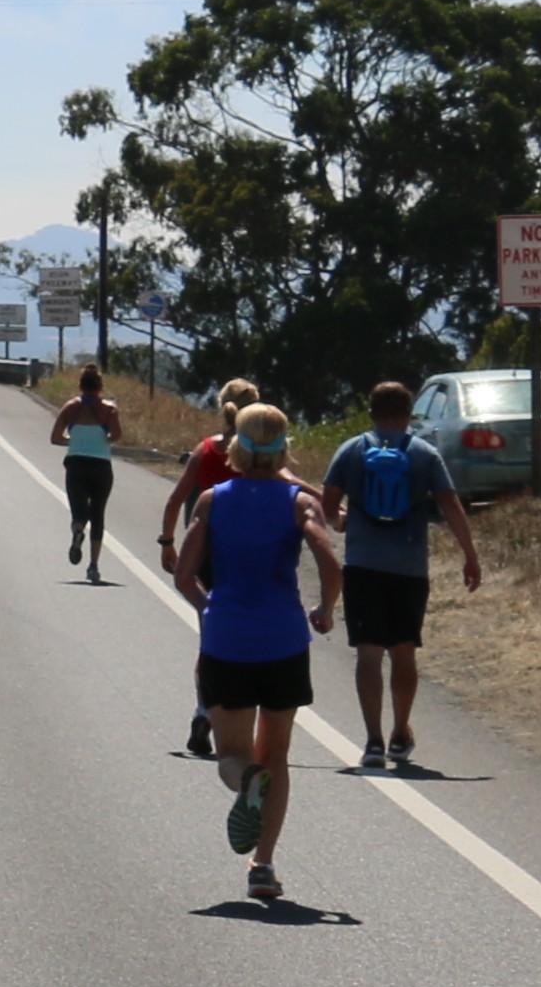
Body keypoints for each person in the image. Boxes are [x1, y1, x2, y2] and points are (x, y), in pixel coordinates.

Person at [166, 404, 337, 901]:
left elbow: (183, 574)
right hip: (284, 640)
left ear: (236, 446)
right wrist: (325, 607)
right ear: (283, 447)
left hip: (228, 641)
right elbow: (330, 559)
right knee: (277, 756)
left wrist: (210, 607)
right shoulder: (299, 501)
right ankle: (262, 864)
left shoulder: (213, 500)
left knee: (233, 757)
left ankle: (248, 781)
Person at [316, 377, 481, 772]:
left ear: (371, 412)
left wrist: (342, 524)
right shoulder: (424, 453)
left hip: (362, 565)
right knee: (403, 651)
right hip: (408, 567)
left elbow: (328, 503)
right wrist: (470, 554)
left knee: (369, 652)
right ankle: (399, 731)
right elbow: (450, 504)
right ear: (409, 414)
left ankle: (372, 740)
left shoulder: (351, 450)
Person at [157, 378, 258, 754]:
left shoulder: (206, 450)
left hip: (205, 558)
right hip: (249, 559)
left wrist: (168, 543)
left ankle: (204, 710)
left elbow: (174, 500)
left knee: (211, 637)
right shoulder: (258, 453)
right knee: (250, 639)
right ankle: (239, 716)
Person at [49, 364, 123, 575]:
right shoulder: (109, 409)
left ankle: (78, 531)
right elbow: (116, 436)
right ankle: (93, 565)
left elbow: (55, 437)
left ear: (81, 385)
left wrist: (74, 441)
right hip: (101, 466)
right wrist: (101, 439)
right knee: (98, 514)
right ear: (100, 386)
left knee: (79, 512)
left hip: (76, 464)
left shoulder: (70, 407)